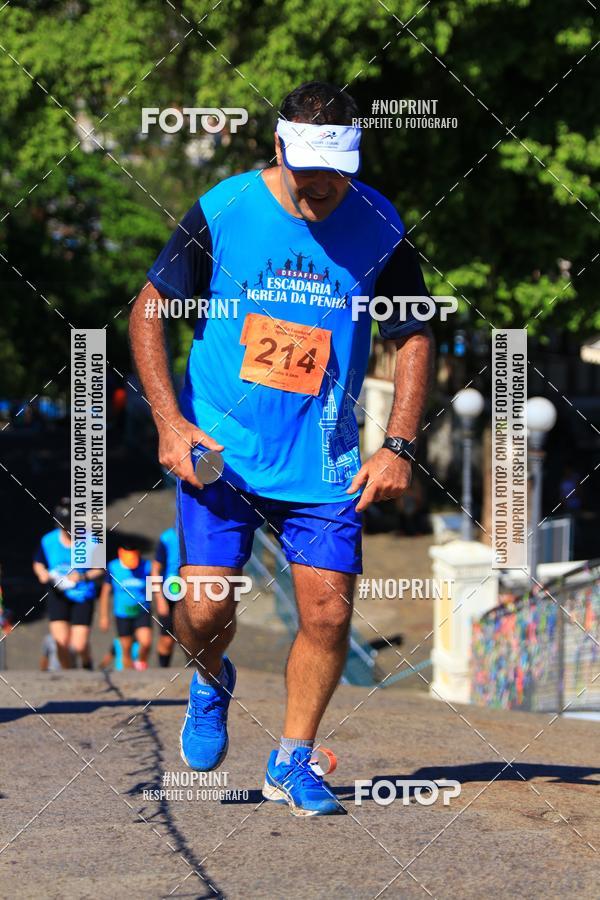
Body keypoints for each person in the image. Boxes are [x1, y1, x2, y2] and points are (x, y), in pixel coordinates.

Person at [129, 81, 434, 816]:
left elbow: (414, 334)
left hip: (323, 460)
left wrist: (397, 444)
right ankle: (210, 677)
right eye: (309, 167)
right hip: (220, 451)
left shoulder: (378, 220)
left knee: (328, 614)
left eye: (339, 167)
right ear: (278, 148)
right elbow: (148, 311)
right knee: (202, 610)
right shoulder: (225, 208)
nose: (325, 184)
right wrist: (170, 424)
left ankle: (292, 760)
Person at [33, 498, 103, 669]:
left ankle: (87, 662)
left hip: (82, 593)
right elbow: (38, 562)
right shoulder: (48, 541)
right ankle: (69, 674)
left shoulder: (91, 540)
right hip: (57, 593)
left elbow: (99, 568)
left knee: (78, 645)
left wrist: (82, 577)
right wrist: (42, 573)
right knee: (61, 642)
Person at [99, 541, 153, 670]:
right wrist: (103, 616)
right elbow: (105, 593)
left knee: (146, 642)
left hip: (141, 610)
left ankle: (140, 663)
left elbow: (154, 587)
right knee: (126, 648)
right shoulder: (113, 567)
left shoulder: (147, 566)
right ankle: (129, 675)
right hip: (122, 613)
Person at [151, 525, 180, 667]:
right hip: (168, 593)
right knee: (167, 639)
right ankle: (163, 673)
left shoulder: (198, 534)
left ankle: (194, 676)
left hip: (192, 592)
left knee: (193, 638)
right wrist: (159, 598)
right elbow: (155, 569)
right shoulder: (167, 537)